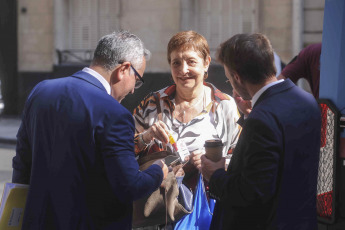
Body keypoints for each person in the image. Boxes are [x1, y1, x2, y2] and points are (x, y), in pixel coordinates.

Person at [12, 30, 168, 230]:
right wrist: (159, 171)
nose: (131, 90)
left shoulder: (41, 91)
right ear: (124, 69)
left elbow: (22, 164)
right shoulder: (115, 114)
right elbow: (130, 185)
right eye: (136, 81)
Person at [200, 33, 321, 229]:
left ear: (237, 78)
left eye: (229, 78)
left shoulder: (262, 119)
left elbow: (253, 193)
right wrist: (249, 114)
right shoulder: (308, 102)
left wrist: (215, 176)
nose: (230, 84)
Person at [133, 31, 241, 228]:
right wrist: (146, 137)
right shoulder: (152, 104)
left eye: (191, 62)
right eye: (176, 63)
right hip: (159, 213)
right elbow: (122, 151)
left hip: (206, 210)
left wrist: (212, 163)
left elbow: (242, 161)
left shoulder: (225, 106)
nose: (183, 70)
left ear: (206, 63)